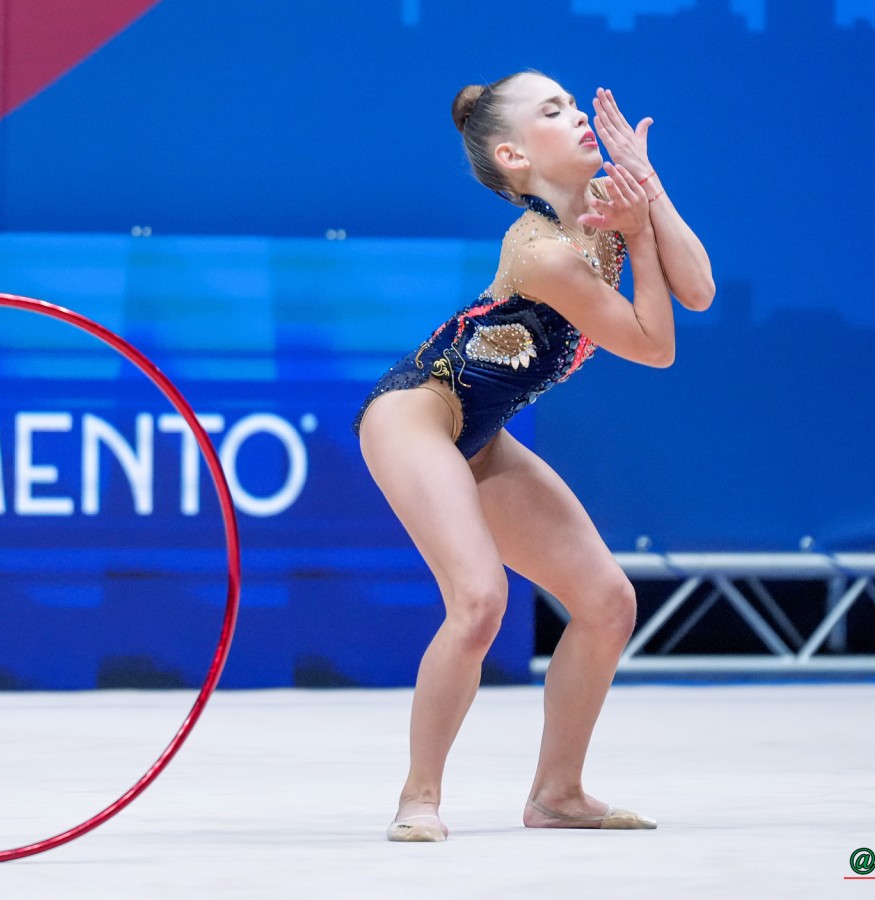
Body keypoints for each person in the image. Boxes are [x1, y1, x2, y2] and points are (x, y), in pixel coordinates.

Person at [352, 70, 715, 842]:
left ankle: (558, 793)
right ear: (515, 157)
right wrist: (638, 230)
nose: (579, 115)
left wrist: (648, 188)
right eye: (554, 111)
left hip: (482, 438)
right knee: (479, 601)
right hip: (416, 414)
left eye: (574, 103)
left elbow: (699, 290)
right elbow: (654, 346)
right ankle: (418, 798)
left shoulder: (610, 209)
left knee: (608, 603)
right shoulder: (540, 248)